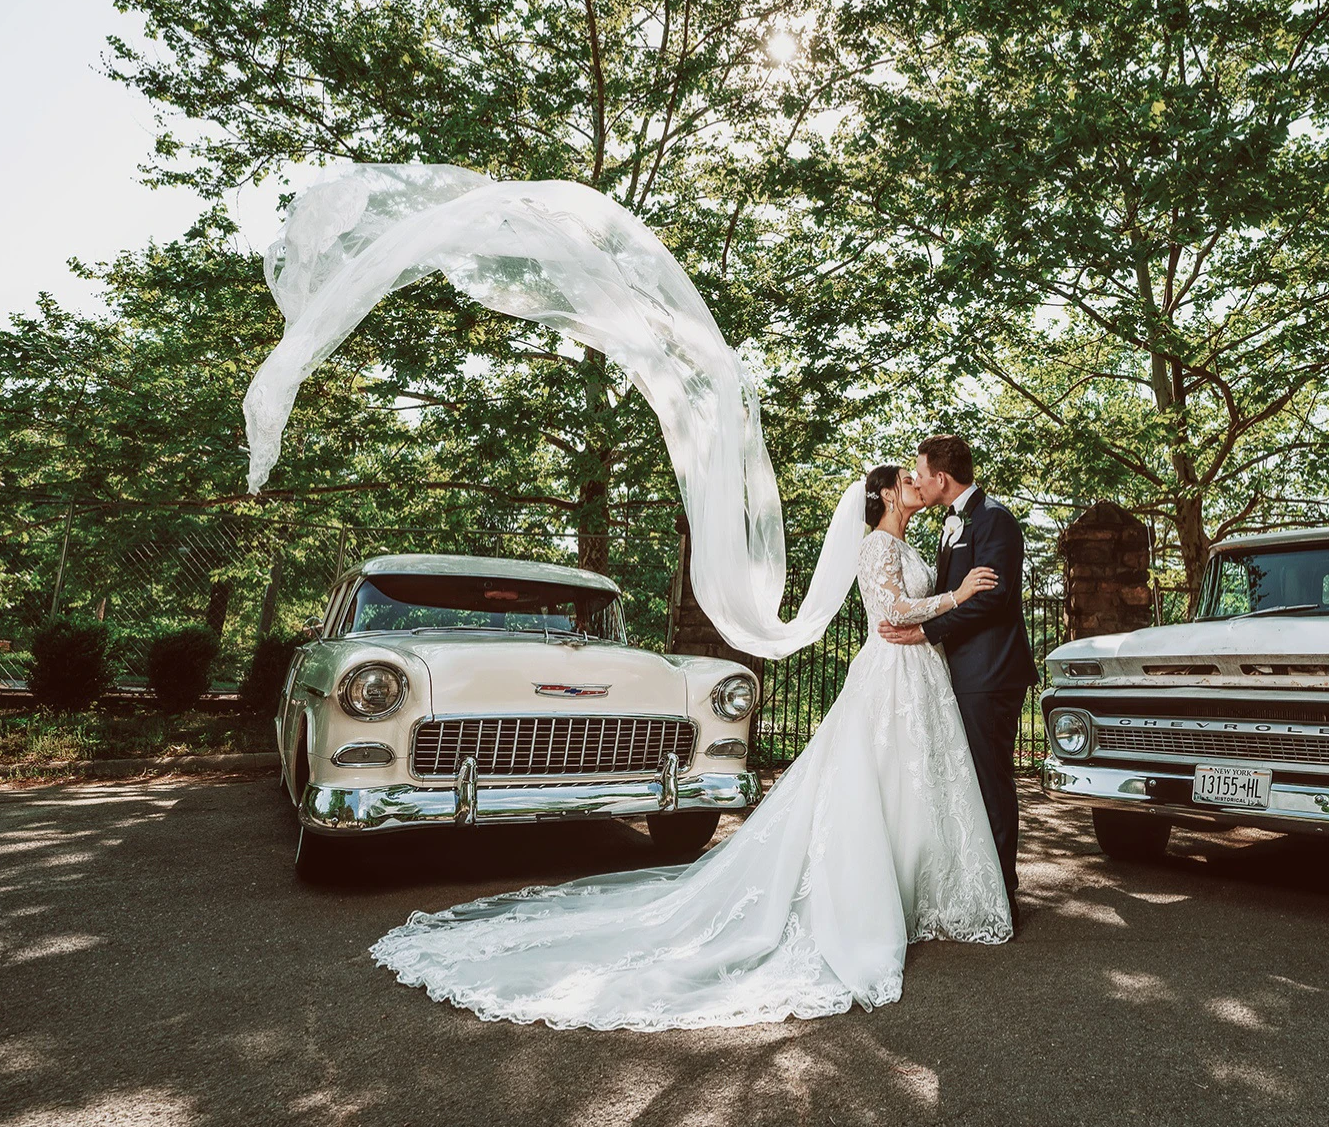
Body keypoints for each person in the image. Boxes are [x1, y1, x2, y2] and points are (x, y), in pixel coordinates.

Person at [370, 465, 1012, 1031]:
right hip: (891, 671)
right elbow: (890, 616)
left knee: (916, 781)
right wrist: (955, 596)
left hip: (920, 675)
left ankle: (922, 889)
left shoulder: (913, 540)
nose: (914, 483)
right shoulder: (876, 546)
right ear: (883, 498)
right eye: (904, 479)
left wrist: (943, 607)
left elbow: (914, 611)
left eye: (916, 475)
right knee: (878, 781)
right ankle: (872, 897)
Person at [878, 434, 1037, 916]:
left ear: (941, 477)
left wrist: (927, 633)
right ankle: (978, 881)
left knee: (991, 780)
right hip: (961, 673)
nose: (918, 482)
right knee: (967, 779)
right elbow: (953, 592)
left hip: (990, 674)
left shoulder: (996, 521)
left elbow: (991, 598)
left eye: (921, 474)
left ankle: (1002, 892)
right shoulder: (951, 523)